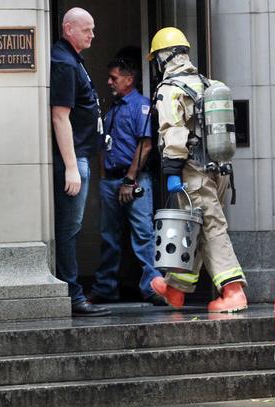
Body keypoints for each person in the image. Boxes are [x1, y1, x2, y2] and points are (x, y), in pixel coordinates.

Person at [147, 27, 248, 313]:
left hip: (192, 169)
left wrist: (172, 172)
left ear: (163, 58)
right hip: (220, 169)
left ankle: (233, 291)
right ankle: (176, 288)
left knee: (211, 226)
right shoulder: (208, 83)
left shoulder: (171, 90)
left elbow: (173, 132)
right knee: (195, 225)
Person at [88, 57, 165, 306]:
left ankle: (153, 287)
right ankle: (105, 288)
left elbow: (145, 145)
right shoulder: (113, 108)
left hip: (133, 180)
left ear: (129, 79)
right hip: (111, 181)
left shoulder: (139, 106)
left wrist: (129, 180)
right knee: (109, 237)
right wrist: (103, 178)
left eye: (115, 78)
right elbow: (104, 145)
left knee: (143, 235)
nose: (109, 82)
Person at [50, 7, 110, 317]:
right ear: (70, 29)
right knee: (69, 230)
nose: (92, 35)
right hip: (74, 159)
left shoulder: (72, 60)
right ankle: (72, 295)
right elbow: (60, 116)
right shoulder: (63, 63)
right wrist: (72, 166)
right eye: (87, 29)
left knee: (71, 229)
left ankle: (72, 292)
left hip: (81, 155)